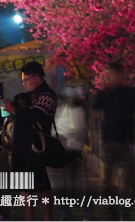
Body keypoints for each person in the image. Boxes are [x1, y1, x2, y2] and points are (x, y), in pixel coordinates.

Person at [1, 61, 57, 221]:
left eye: (26, 80)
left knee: (41, 184)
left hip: (35, 147)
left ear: (37, 78)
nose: (24, 84)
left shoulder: (46, 95)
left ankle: (48, 217)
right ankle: (29, 218)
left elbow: (36, 116)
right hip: (23, 148)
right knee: (24, 186)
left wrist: (15, 109)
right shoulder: (30, 96)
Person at [91, 61, 135, 216]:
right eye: (106, 75)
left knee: (129, 178)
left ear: (119, 76)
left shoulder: (129, 93)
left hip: (125, 140)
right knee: (107, 179)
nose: (107, 78)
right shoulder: (104, 94)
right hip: (109, 140)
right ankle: (112, 210)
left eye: (110, 75)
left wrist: (134, 121)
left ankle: (126, 210)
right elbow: (94, 106)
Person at [54, 88, 87, 220]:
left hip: (72, 148)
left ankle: (68, 208)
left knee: (69, 179)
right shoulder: (63, 109)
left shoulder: (77, 111)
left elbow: (77, 129)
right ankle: (65, 209)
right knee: (64, 179)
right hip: (62, 148)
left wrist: (63, 136)